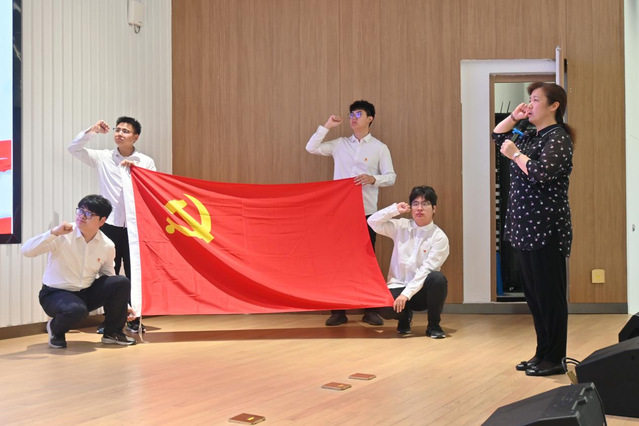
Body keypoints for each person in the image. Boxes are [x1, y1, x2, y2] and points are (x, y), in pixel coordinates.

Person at [492, 82, 574, 376]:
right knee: (535, 297)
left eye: (536, 100)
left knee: (550, 296)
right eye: (529, 99)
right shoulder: (529, 134)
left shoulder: (559, 138)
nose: (530, 105)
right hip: (523, 228)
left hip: (546, 229)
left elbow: (541, 173)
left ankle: (555, 357)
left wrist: (516, 155)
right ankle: (542, 353)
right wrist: (514, 117)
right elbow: (497, 136)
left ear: (554, 106)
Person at [306, 100, 396, 326]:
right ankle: (338, 311)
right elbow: (311, 147)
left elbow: (391, 177)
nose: (353, 118)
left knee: (367, 261)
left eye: (358, 114)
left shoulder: (379, 148)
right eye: (351, 114)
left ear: (370, 118)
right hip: (340, 214)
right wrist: (327, 126)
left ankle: (370, 309)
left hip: (367, 213)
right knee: (337, 261)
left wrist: (373, 179)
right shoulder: (339, 144)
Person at [68, 116, 156, 333]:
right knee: (110, 274)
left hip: (136, 226)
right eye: (117, 129)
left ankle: (135, 318)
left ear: (136, 137)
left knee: (135, 273)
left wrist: (136, 172)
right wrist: (93, 130)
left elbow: (152, 189)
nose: (119, 134)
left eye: (126, 131)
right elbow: (74, 148)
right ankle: (111, 321)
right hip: (109, 224)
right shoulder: (103, 157)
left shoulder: (145, 162)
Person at [21, 195, 136, 348]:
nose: (82, 216)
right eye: (80, 210)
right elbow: (26, 251)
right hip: (54, 294)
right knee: (76, 310)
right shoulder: (63, 235)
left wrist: (123, 305)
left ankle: (113, 332)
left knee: (120, 281)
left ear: (102, 221)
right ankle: (55, 329)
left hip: (85, 293)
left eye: (88, 213)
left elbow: (108, 276)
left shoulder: (107, 245)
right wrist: (53, 232)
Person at [368, 186, 449, 338]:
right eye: (415, 203)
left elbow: (426, 270)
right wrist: (394, 210)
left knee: (438, 279)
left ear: (434, 208)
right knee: (382, 307)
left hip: (421, 292)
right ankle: (404, 318)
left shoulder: (439, 237)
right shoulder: (401, 226)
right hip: (398, 285)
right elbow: (372, 222)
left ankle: (434, 325)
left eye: (425, 204)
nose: (419, 208)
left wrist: (406, 295)